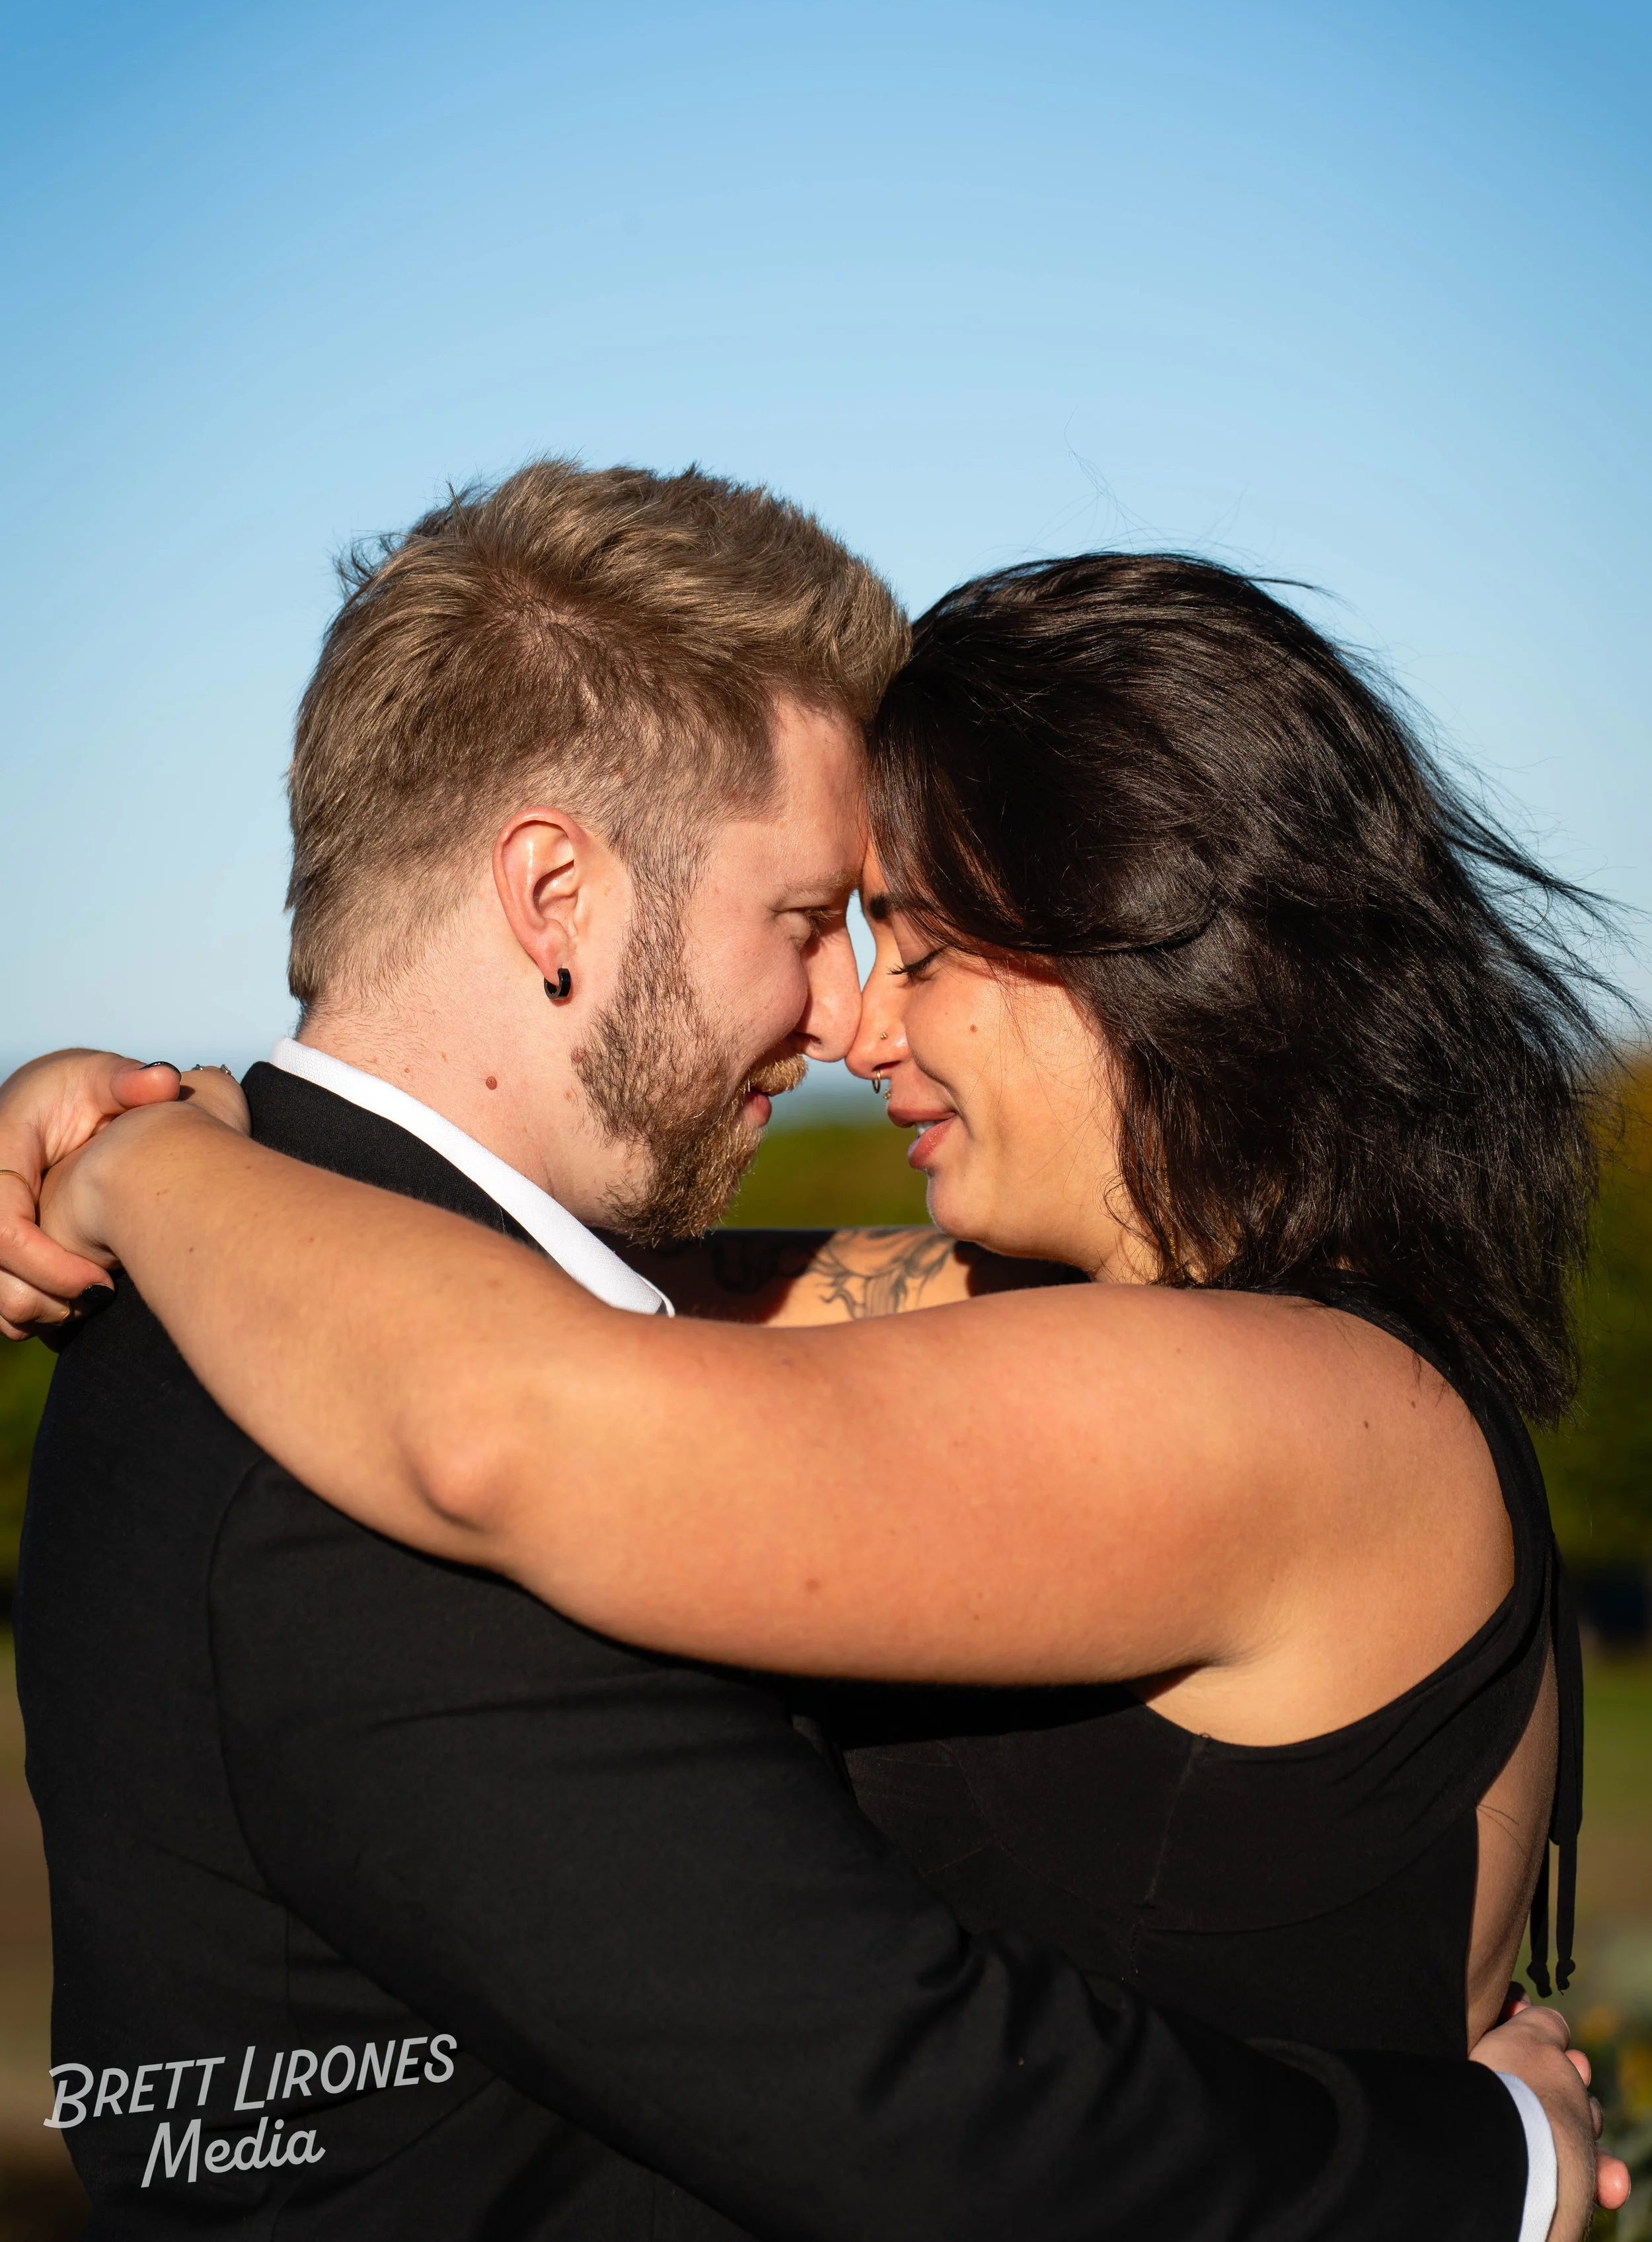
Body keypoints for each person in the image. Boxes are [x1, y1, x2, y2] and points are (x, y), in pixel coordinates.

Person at [0, 486, 1625, 2237]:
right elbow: (643, 1303)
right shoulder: (1072, 1315)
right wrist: (236, 1143)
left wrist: (144, 1160)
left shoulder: (1277, 1397)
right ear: (550, 894)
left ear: (1153, 948)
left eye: (915, 943)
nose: (858, 1014)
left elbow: (521, 1411)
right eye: (829, 923)